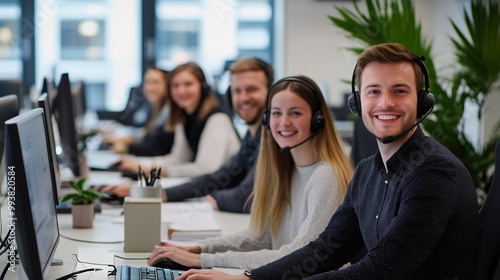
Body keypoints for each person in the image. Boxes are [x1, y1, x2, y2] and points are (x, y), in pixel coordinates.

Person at [177, 43, 479, 280]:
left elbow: (380, 270)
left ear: (423, 101)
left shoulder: (433, 172)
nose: (385, 102)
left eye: (400, 91)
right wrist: (249, 277)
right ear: (357, 102)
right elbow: (325, 251)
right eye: (374, 91)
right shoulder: (367, 172)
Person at [148, 75, 354, 270]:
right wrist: (200, 249)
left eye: (295, 113)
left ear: (317, 120)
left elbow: (301, 254)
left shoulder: (326, 176)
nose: (283, 122)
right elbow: (260, 237)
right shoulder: (285, 169)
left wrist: (204, 260)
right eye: (276, 113)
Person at [165, 58, 272, 213]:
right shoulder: (251, 136)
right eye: (237, 91)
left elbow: (248, 196)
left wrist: (215, 198)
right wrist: (162, 194)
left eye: (252, 89)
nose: (243, 98)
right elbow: (219, 177)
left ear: (271, 93)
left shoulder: (273, 137)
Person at [107, 62, 240, 179]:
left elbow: (205, 169)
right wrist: (139, 164)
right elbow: (179, 158)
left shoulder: (217, 119)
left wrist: (150, 169)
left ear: (203, 87)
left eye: (188, 84)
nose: (181, 90)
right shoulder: (184, 118)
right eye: (175, 86)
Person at [100, 66, 175, 157]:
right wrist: (119, 139)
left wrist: (126, 147)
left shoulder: (169, 111)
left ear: (168, 85)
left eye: (155, 82)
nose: (149, 87)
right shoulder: (156, 108)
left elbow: (156, 147)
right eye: (147, 82)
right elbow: (146, 135)